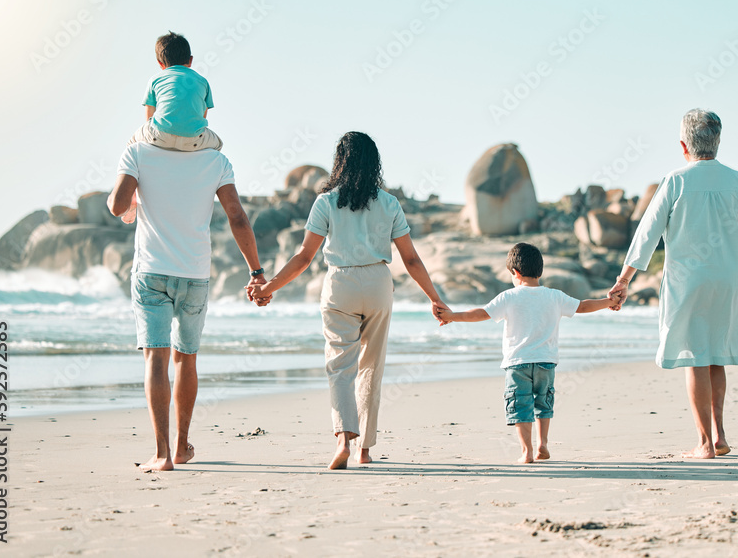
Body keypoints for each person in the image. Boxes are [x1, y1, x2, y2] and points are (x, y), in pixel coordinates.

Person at [249, 132, 448, 470]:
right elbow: (411, 260)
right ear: (374, 164)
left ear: (339, 161)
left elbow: (303, 257)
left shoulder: (326, 202)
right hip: (378, 282)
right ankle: (365, 449)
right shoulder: (388, 203)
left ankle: (344, 439)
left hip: (339, 282)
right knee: (372, 366)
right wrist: (435, 298)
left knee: (340, 366)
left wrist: (270, 287)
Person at [608, 109, 738, 459]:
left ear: (683, 146)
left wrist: (624, 280)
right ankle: (721, 435)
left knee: (696, 357)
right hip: (730, 282)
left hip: (688, 283)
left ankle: (704, 443)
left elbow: (646, 234)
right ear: (718, 141)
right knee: (716, 357)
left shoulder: (676, 181)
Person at [107, 141, 268, 472]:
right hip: (194, 273)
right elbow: (236, 216)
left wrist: (134, 183)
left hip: (151, 272)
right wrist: (256, 271)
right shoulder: (216, 160)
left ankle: (162, 454)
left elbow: (116, 206)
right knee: (186, 360)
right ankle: (181, 446)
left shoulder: (137, 152)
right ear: (203, 111)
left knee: (156, 357)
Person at [437, 243, 617, 464]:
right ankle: (543, 445)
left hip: (517, 363)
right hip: (546, 362)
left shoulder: (508, 297)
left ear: (516, 273)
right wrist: (609, 302)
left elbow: (481, 314)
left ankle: (526, 452)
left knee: (520, 405)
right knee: (544, 403)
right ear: (540, 271)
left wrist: (452, 316)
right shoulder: (555, 296)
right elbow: (583, 306)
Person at [123, 32, 223, 224]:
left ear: (160, 64)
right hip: (194, 140)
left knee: (130, 145)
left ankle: (131, 196)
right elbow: (201, 117)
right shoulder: (203, 82)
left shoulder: (155, 80)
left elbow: (149, 118)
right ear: (191, 60)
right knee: (218, 146)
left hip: (158, 134)